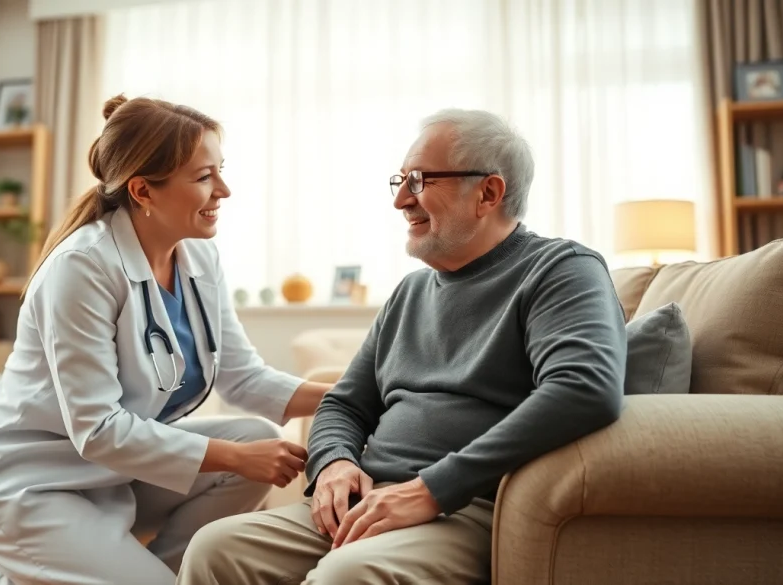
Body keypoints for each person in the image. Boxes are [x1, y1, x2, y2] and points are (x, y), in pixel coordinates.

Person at [177, 108, 628, 584]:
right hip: (369, 501)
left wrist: (431, 489)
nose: (399, 201)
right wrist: (334, 463)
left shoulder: (562, 270)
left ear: (489, 193)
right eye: (400, 180)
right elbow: (345, 404)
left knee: (346, 577)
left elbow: (584, 388)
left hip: (463, 507)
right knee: (214, 548)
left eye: (418, 180)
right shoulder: (411, 292)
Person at [0, 95, 332, 585]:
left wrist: (353, 399)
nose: (225, 189)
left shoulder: (198, 259)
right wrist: (234, 457)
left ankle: (170, 575)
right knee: (243, 453)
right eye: (203, 177)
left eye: (221, 170)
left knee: (257, 436)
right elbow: (96, 429)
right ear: (143, 191)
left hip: (111, 472)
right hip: (26, 483)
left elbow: (243, 378)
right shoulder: (83, 267)